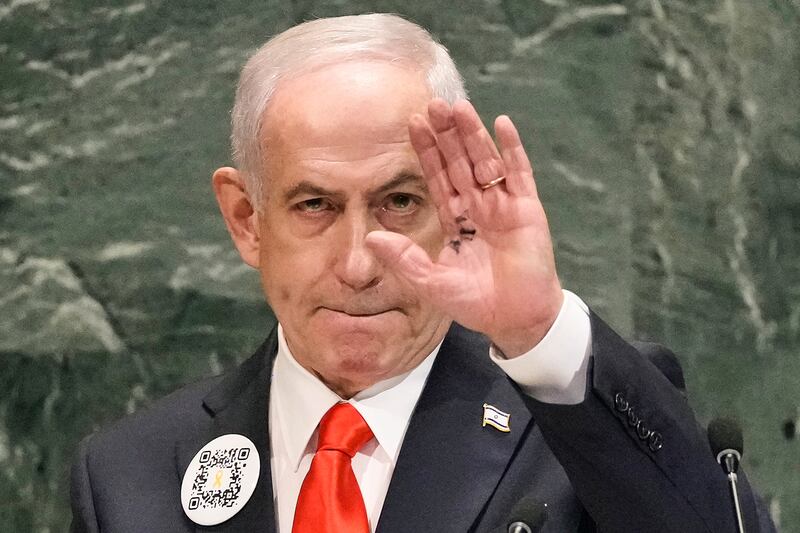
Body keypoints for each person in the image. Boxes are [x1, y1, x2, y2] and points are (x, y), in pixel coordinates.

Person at [70, 13, 775, 533]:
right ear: (246, 219)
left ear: (455, 204)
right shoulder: (128, 474)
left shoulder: (572, 429)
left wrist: (538, 329)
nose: (358, 264)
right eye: (314, 205)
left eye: (400, 202)